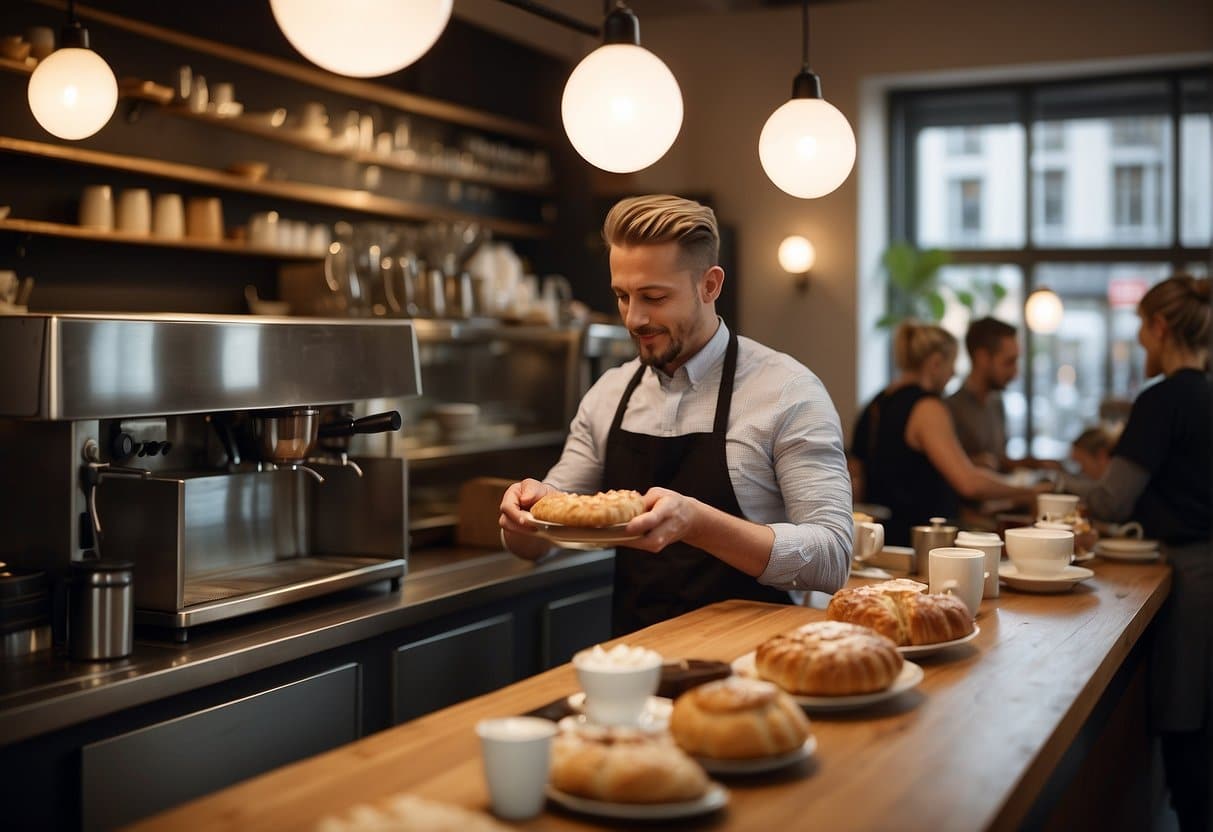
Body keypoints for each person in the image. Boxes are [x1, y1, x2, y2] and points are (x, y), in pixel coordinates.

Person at [498, 194, 852, 636]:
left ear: (710, 285)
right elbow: (541, 539)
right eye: (623, 296)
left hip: (755, 668)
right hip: (637, 662)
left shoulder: (786, 392)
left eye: (654, 297)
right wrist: (521, 520)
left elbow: (833, 556)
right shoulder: (608, 395)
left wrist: (698, 524)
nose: (634, 318)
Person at [1053, 274, 1211, 831]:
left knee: (1187, 720)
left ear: (1160, 327)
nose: (1140, 342)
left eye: (1141, 328)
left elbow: (1112, 499)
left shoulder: (1162, 399)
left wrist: (1050, 488)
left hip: (1195, 576)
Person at [851, 321, 1047, 547]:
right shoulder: (927, 408)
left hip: (881, 541)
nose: (953, 373)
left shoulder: (875, 405)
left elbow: (857, 476)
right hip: (922, 541)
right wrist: (1028, 492)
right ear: (935, 363)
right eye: (951, 364)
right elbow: (968, 482)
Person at [947, 316, 1061, 472]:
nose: (1015, 373)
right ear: (982, 358)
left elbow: (997, 461)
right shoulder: (950, 409)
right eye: (1009, 362)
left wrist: (1035, 464)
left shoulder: (996, 402)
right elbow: (950, 469)